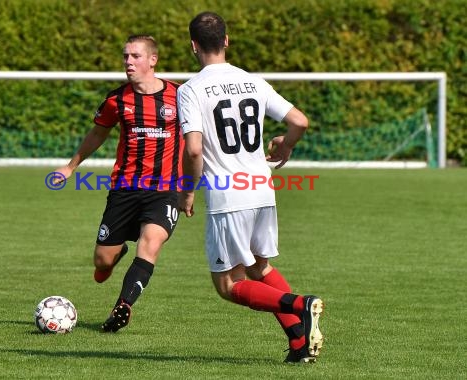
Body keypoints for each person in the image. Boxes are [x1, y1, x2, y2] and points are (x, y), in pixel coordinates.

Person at [177, 12, 324, 363]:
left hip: (229, 196)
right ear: (226, 41)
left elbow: (194, 148)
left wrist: (186, 189)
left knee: (229, 286)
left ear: (193, 45)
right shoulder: (252, 81)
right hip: (262, 188)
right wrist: (286, 144)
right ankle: (299, 344)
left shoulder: (191, 89)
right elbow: (299, 121)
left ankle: (301, 305)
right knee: (261, 267)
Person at [54, 35, 183, 333]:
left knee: (150, 245)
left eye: (135, 56)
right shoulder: (117, 99)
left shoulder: (180, 96)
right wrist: (70, 167)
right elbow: (97, 134)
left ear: (153, 60)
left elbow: (197, 139)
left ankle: (123, 306)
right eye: (125, 56)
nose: (128, 62)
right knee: (101, 262)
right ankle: (115, 254)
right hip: (124, 190)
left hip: (165, 190)